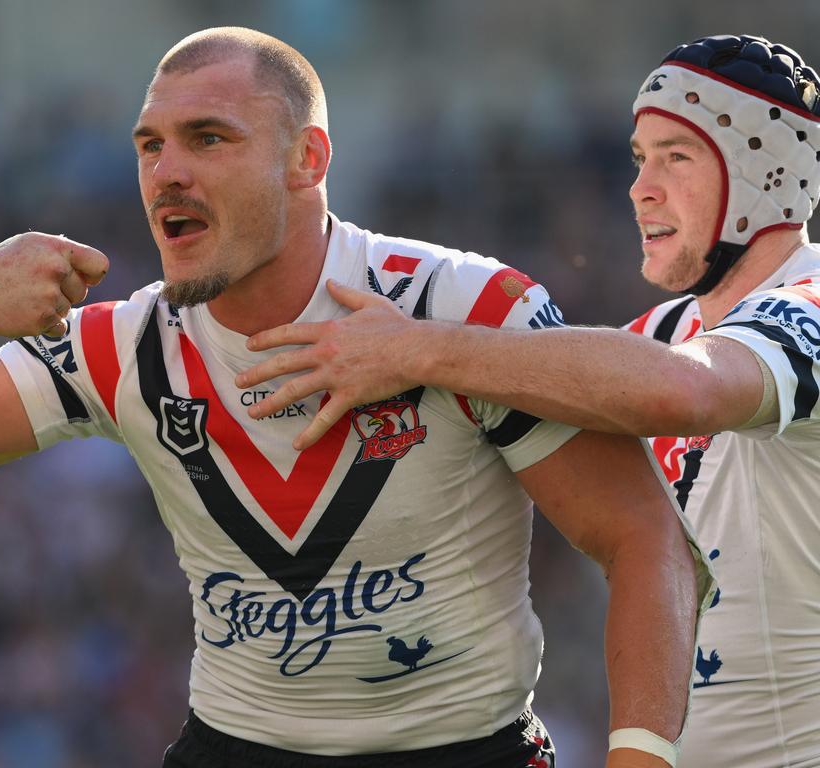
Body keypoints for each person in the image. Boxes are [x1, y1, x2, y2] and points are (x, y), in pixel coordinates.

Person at [0, 27, 710, 768]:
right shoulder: (124, 345)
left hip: (462, 750)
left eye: (209, 138)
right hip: (234, 749)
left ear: (307, 160)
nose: (168, 172)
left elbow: (644, 540)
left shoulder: (460, 307)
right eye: (150, 146)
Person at [236, 34, 820, 767]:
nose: (641, 187)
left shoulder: (808, 307)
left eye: (678, 155)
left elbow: (685, 391)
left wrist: (419, 345)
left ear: (761, 175)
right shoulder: (662, 334)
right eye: (640, 159)